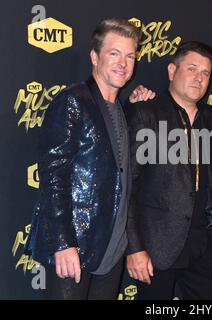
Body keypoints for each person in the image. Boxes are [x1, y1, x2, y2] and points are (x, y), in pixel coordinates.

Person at [26, 18, 155, 300]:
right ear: (94, 57)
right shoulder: (73, 101)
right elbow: (53, 177)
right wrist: (63, 243)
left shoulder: (120, 109)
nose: (123, 62)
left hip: (110, 250)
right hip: (76, 248)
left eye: (130, 55)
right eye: (114, 53)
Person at [126, 41, 212, 300]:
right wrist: (134, 248)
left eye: (205, 73)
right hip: (156, 246)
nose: (199, 78)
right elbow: (129, 185)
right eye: (192, 69)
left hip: (201, 245)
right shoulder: (146, 113)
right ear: (172, 71)